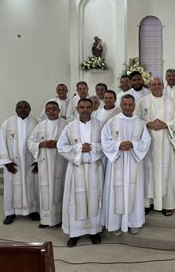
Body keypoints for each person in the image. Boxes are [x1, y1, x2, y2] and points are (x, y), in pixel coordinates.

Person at [57, 98, 105, 247]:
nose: (85, 110)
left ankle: (94, 231)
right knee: (75, 199)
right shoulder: (70, 127)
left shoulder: (100, 125)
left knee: (94, 197)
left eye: (88, 107)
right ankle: (75, 233)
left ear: (92, 109)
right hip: (76, 168)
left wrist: (93, 148)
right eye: (82, 107)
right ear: (77, 109)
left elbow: (107, 144)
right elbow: (61, 146)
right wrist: (78, 148)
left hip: (94, 168)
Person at [101, 94, 151, 235]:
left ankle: (133, 222)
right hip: (117, 162)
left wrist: (134, 145)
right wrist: (118, 145)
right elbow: (104, 141)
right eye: (125, 104)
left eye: (130, 105)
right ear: (121, 105)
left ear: (134, 106)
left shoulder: (140, 123)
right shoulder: (112, 122)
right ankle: (115, 224)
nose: (128, 107)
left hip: (134, 162)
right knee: (117, 191)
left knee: (133, 190)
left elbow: (146, 141)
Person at [135, 77, 175, 217]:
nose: (156, 86)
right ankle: (147, 203)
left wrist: (165, 125)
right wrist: (147, 124)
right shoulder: (142, 102)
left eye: (159, 84)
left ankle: (167, 204)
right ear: (149, 86)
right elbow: (135, 120)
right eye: (153, 84)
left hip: (166, 144)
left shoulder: (171, 101)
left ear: (163, 86)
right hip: (148, 145)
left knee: (166, 172)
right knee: (147, 173)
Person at [0, 100, 39, 225]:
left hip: (30, 163)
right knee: (10, 188)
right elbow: (1, 142)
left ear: (30, 109)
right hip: (13, 164)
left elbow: (39, 143)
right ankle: (10, 212)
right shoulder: (7, 123)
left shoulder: (37, 123)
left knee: (31, 186)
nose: (23, 109)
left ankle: (32, 210)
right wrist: (6, 162)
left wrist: (38, 161)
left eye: (25, 107)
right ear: (16, 109)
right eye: (20, 107)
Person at [28, 101, 67, 228]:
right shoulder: (40, 126)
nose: (51, 111)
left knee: (59, 188)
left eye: (54, 109)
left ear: (58, 111)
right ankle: (45, 220)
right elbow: (31, 141)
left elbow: (72, 143)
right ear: (45, 111)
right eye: (48, 109)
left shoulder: (66, 125)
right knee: (44, 189)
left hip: (61, 163)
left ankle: (60, 218)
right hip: (44, 163)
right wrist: (40, 144)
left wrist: (57, 144)